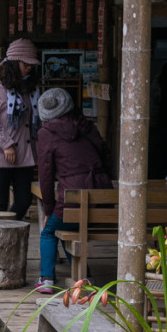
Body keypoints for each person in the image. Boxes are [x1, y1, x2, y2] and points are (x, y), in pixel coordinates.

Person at [34, 88, 112, 294]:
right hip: (104, 200)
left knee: (49, 231)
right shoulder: (88, 126)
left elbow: (46, 174)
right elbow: (106, 157)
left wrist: (49, 209)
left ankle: (47, 279)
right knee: (70, 230)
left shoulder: (46, 134)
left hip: (73, 200)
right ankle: (85, 277)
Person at [0, 38, 42, 220]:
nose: (29, 68)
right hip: (0, 155)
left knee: (24, 200)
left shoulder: (29, 86)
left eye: (31, 64)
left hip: (25, 154)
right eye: (25, 64)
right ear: (13, 62)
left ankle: (8, 230)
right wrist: (6, 144)